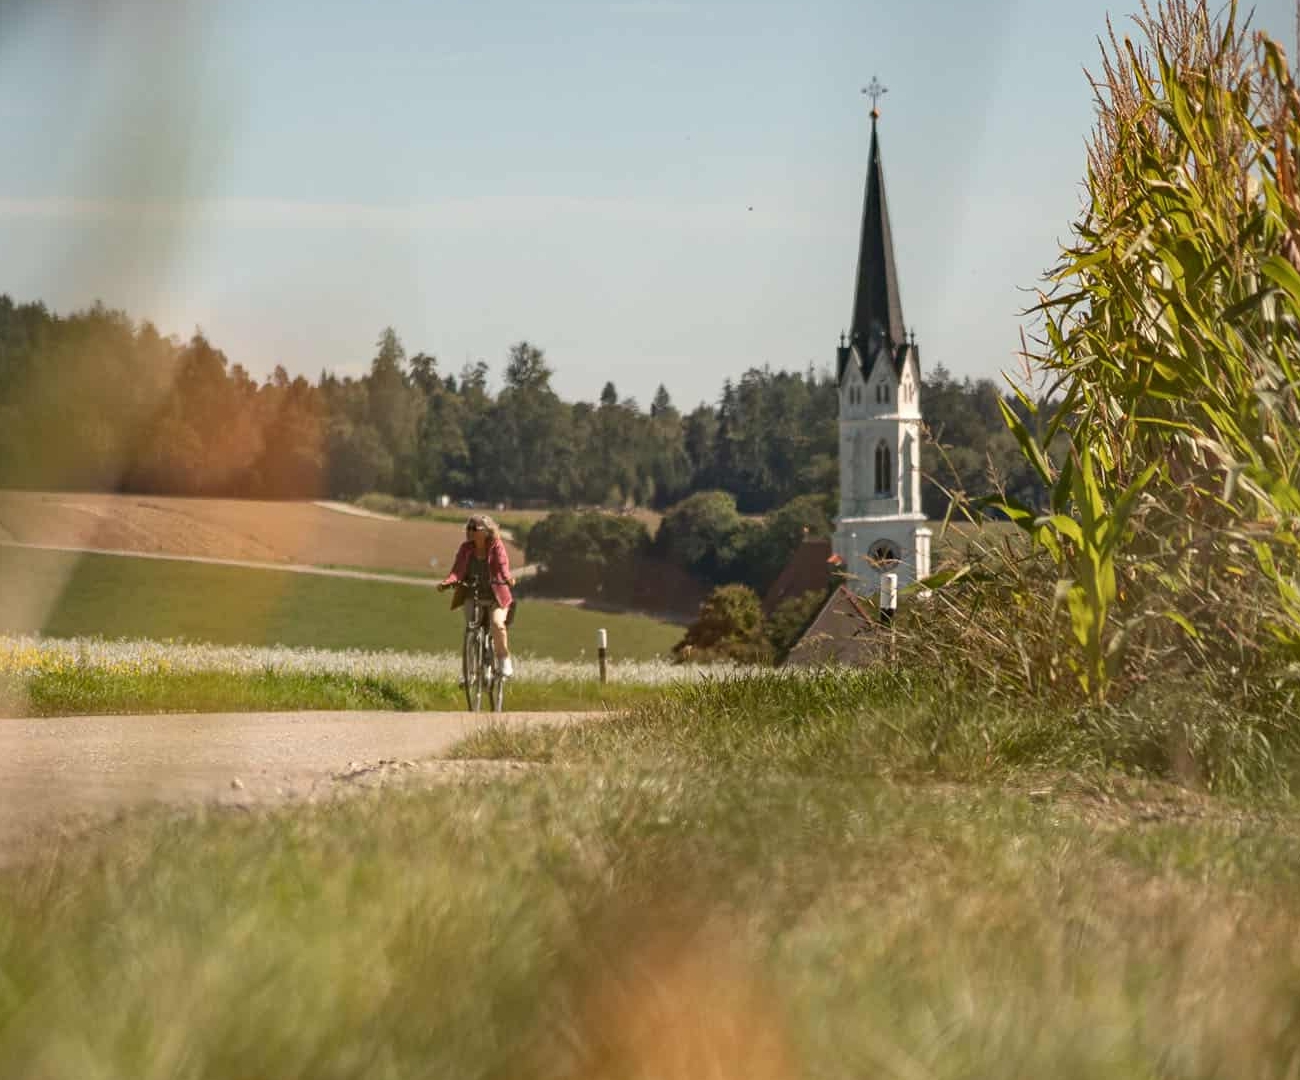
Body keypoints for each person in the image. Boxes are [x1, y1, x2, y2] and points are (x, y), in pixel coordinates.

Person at [438, 514, 517, 677]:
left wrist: (507, 578)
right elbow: (457, 570)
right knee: (472, 631)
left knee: (497, 625)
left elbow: (502, 565)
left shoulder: (496, 546)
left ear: (486, 531)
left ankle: (504, 660)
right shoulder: (465, 548)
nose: (470, 532)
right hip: (472, 594)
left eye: (475, 528)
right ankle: (470, 674)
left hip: (497, 596)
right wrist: (448, 582)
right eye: (469, 528)